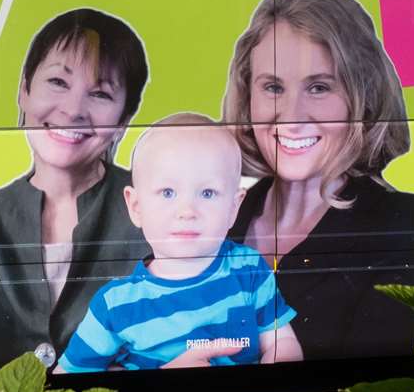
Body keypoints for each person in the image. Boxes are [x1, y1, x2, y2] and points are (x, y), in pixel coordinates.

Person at [0, 7, 150, 379]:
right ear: (24, 90)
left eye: (101, 93)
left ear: (123, 121)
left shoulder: (155, 211)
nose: (73, 110)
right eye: (58, 82)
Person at [221, 0, 414, 361]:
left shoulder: (401, 227)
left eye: (319, 88)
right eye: (273, 88)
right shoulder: (215, 218)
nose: (292, 118)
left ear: (360, 97)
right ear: (248, 98)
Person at [57, 115, 301, 372]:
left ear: (234, 206)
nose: (187, 211)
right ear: (136, 206)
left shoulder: (249, 270)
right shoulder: (115, 305)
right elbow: (67, 385)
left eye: (208, 193)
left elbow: (281, 341)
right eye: (168, 193)